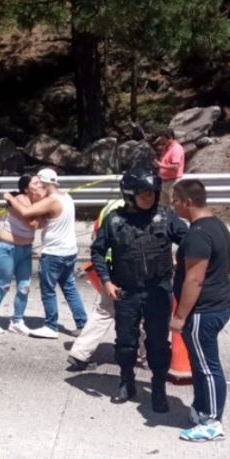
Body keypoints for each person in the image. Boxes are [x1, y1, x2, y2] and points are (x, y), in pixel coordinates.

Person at [90, 166, 187, 412]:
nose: (149, 197)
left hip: (158, 291)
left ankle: (158, 388)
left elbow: (190, 240)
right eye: (144, 193)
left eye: (153, 192)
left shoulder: (165, 217)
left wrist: (187, 261)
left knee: (157, 344)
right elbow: (98, 251)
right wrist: (106, 281)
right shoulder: (115, 221)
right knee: (125, 342)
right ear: (130, 194)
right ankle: (126, 382)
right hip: (127, 291)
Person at [169, 180, 230, 442]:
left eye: (174, 200)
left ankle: (212, 421)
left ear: (187, 202)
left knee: (207, 367)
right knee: (200, 363)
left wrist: (180, 317)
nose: (172, 205)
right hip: (218, 304)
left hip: (202, 311)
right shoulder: (216, 225)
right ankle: (201, 407)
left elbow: (195, 280)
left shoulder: (197, 234)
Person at [4, 168, 87, 339]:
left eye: (39, 182)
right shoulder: (67, 197)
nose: (38, 186)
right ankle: (82, 324)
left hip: (54, 253)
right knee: (69, 288)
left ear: (44, 182)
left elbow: (26, 212)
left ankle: (51, 326)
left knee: (48, 290)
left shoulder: (51, 201)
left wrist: (10, 197)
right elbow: (38, 221)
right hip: (70, 251)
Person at [0, 174, 45, 335]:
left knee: (25, 287)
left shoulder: (37, 203)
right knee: (3, 286)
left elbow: (40, 223)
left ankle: (17, 320)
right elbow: (32, 223)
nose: (40, 185)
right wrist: (41, 215)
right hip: (7, 248)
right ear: (26, 188)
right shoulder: (20, 200)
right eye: (36, 183)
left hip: (25, 249)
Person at [66, 198, 125, 371]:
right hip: (128, 270)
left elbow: (95, 236)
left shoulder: (109, 206)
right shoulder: (139, 209)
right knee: (142, 314)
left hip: (108, 269)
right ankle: (148, 358)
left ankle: (79, 354)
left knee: (103, 311)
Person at [153, 129, 185, 206]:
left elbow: (175, 167)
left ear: (169, 137)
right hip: (165, 182)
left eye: (162, 138)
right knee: (163, 207)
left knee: (174, 207)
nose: (161, 140)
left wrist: (160, 165)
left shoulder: (176, 149)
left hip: (173, 182)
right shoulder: (166, 148)